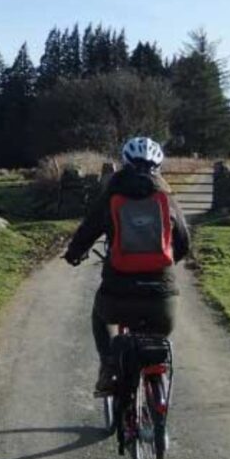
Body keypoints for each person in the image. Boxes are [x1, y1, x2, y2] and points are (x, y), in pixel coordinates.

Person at [63, 137, 190, 396]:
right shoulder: (166, 198)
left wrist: (74, 255)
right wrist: (166, 260)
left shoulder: (113, 195)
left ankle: (109, 366)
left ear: (125, 163)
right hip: (162, 299)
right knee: (157, 337)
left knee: (100, 316)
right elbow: (184, 242)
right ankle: (156, 399)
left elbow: (87, 231)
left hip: (117, 293)